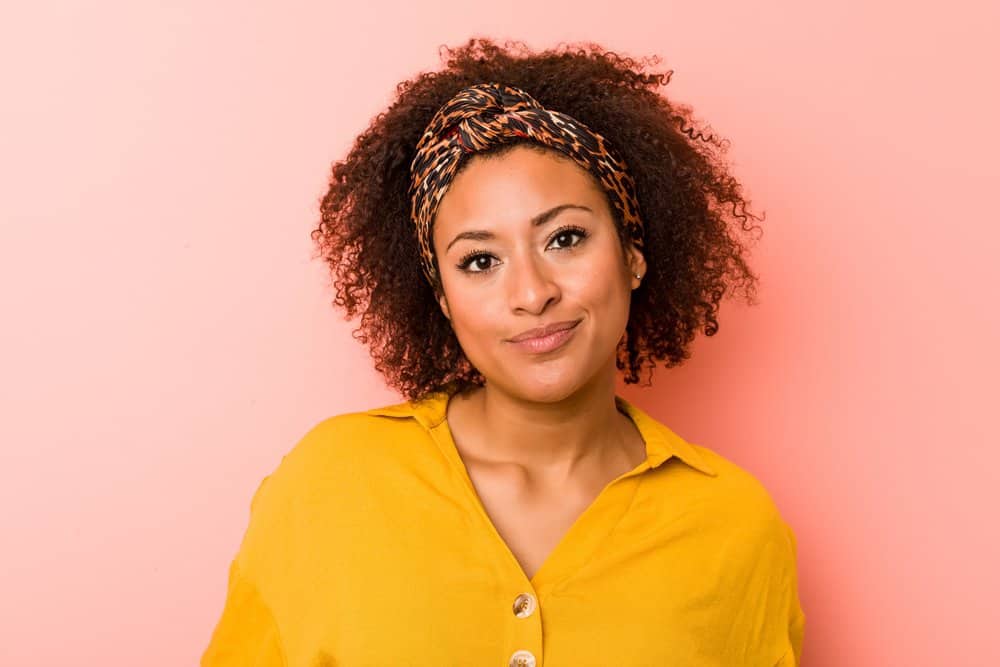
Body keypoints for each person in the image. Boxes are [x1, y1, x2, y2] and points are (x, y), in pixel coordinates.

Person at [201, 37, 805, 666]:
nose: (532, 293)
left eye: (565, 237)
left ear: (631, 254)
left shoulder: (735, 526)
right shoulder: (329, 483)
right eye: (480, 260)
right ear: (441, 298)